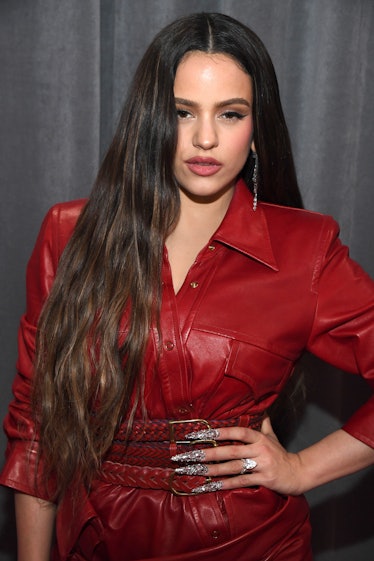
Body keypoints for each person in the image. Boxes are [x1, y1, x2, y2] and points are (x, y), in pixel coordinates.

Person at [1, 11, 373, 561]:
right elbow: (38, 426)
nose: (204, 138)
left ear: (255, 129)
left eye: (230, 113)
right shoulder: (67, 235)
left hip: (251, 543)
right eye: (182, 112)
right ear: (152, 118)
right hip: (98, 540)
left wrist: (302, 467)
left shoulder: (306, 250)